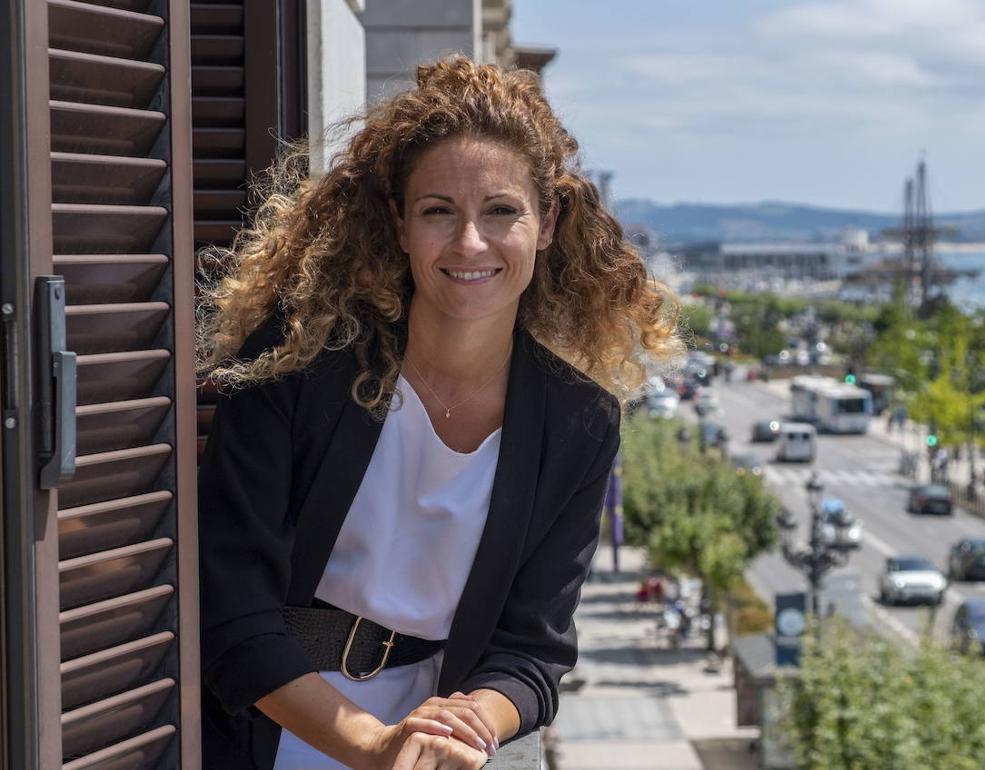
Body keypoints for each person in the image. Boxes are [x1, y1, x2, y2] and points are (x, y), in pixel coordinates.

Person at [196, 57, 682, 770]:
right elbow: (230, 602)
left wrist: (466, 728)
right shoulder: (303, 363)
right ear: (398, 223)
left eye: (501, 211)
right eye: (438, 212)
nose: (470, 243)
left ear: (546, 223)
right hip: (264, 731)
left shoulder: (580, 424)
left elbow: (533, 650)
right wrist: (372, 746)